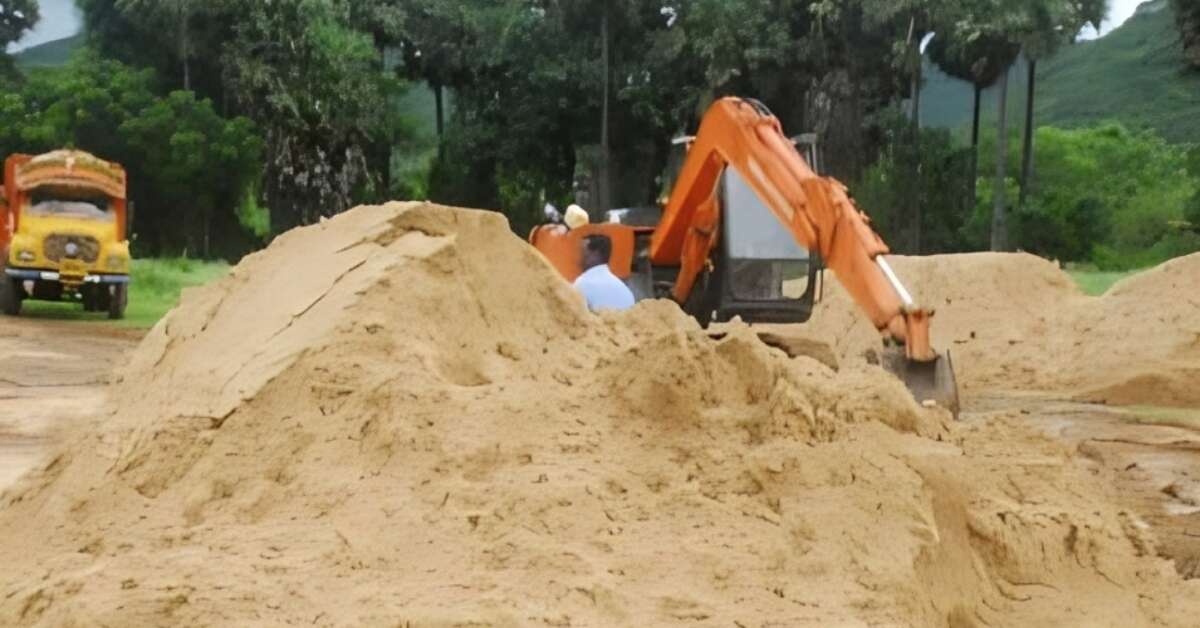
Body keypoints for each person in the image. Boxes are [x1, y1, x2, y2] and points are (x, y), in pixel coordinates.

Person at [574, 234, 635, 312]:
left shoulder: (582, 283)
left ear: (595, 254)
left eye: (582, 251)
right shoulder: (626, 290)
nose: (578, 256)